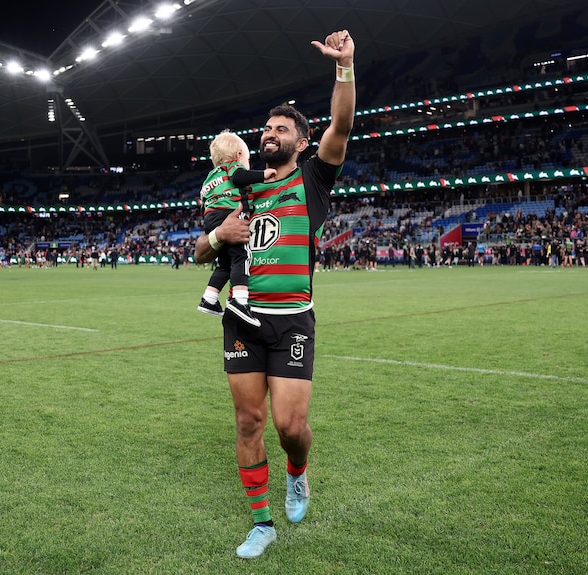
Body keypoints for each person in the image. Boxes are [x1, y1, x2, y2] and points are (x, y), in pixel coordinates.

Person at [194, 29, 356, 560]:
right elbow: (200, 252)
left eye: (281, 128)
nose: (269, 133)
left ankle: (298, 472)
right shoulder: (243, 185)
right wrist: (221, 236)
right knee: (248, 421)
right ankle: (261, 523)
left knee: (290, 427)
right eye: (266, 127)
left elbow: (343, 124)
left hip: (292, 321)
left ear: (300, 142)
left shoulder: (313, 180)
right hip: (243, 318)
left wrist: (344, 67)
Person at [197, 130, 276, 327]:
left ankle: (209, 298)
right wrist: (263, 175)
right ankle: (240, 301)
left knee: (225, 263)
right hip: (228, 214)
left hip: (211, 219)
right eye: (248, 159)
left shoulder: (209, 178)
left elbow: (204, 204)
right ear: (239, 156)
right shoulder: (232, 166)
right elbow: (240, 176)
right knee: (242, 256)